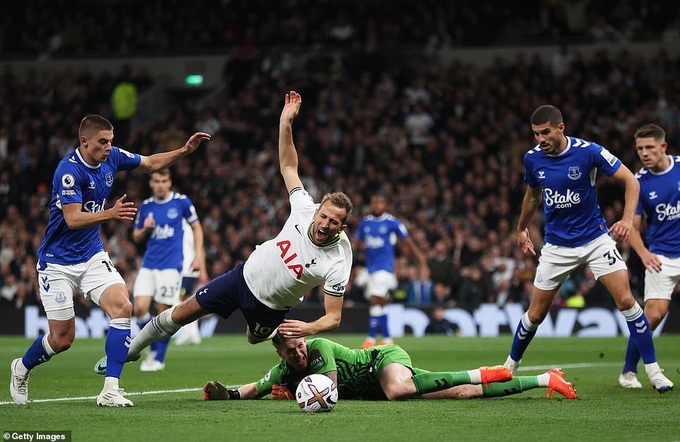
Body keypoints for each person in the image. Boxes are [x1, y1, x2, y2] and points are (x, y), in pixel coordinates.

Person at [94, 91, 354, 373]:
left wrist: (309, 327)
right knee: (183, 311)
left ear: (343, 227)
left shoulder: (339, 259)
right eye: (324, 216)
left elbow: (334, 318)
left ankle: (290, 374)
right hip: (242, 277)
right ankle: (130, 351)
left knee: (254, 338)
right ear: (317, 211)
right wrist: (285, 123)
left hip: (271, 307)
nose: (325, 225)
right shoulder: (304, 207)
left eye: (333, 223)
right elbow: (289, 166)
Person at [9, 114, 211, 407]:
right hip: (57, 262)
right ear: (84, 141)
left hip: (91, 256)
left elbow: (151, 163)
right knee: (62, 340)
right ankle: (22, 368)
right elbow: (73, 217)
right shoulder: (68, 170)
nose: (108, 147)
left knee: (123, 306)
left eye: (110, 142)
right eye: (102, 142)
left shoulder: (113, 158)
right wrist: (111, 214)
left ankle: (110, 389)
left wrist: (184, 151)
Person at [502, 105, 673, 393]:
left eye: (545, 132)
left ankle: (654, 372)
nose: (540, 138)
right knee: (535, 314)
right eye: (535, 134)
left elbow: (631, 180)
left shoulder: (589, 151)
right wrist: (521, 228)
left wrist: (627, 220)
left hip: (595, 240)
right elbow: (532, 195)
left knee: (627, 302)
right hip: (557, 246)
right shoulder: (532, 159)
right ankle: (508, 367)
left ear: (560, 127)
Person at [202, 335, 576, 401]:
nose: (299, 354)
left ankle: (481, 371)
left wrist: (299, 394)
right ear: (281, 354)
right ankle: (545, 378)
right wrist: (226, 393)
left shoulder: (317, 348)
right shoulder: (285, 368)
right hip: (375, 389)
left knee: (399, 390)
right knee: (462, 395)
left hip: (383, 361)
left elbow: (327, 387)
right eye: (291, 353)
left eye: (299, 346)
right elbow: (255, 387)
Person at [618, 124, 679, 389]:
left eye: (650, 147)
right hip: (660, 256)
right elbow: (632, 224)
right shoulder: (638, 182)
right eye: (640, 148)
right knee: (652, 315)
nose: (644, 153)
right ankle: (628, 373)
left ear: (663, 147)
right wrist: (643, 253)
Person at [131, 168, 208, 371]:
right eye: (156, 181)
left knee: (163, 314)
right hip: (148, 264)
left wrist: (199, 254)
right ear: (151, 183)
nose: (160, 185)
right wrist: (144, 229)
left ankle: (158, 358)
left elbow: (197, 227)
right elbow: (136, 236)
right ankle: (154, 346)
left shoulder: (181, 202)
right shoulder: (146, 206)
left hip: (171, 267)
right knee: (139, 308)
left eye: (164, 181)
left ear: (170, 182)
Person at [355, 194, 429, 349]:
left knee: (375, 300)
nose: (377, 205)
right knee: (381, 303)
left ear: (385, 205)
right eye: (375, 202)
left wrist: (421, 261)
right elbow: (355, 243)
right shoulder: (365, 223)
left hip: (385, 268)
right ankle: (388, 338)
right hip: (370, 269)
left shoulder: (392, 223)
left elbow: (408, 242)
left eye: (380, 202)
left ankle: (370, 338)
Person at [174, 217, 209, 346]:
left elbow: (201, 250)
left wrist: (203, 270)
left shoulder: (190, 229)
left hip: (188, 270)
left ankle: (189, 334)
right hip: (180, 270)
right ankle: (192, 334)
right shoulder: (177, 229)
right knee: (186, 301)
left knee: (182, 301)